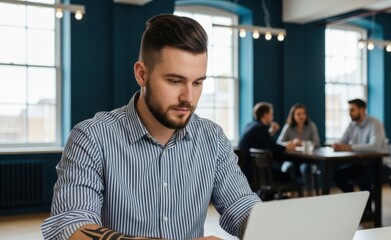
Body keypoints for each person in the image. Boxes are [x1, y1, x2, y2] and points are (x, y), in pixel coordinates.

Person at [41, 14, 261, 240]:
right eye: (175, 81)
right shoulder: (91, 137)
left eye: (197, 83)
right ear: (141, 74)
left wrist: (269, 226)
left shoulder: (212, 138)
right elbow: (70, 223)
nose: (188, 97)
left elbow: (240, 204)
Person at [332, 98, 391, 216]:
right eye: (349, 110)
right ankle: (358, 203)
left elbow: (375, 146)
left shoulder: (375, 123)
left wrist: (350, 148)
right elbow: (342, 142)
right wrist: (337, 145)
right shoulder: (351, 125)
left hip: (381, 164)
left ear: (362, 110)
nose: (349, 113)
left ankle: (367, 210)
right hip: (361, 164)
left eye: (352, 110)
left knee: (363, 178)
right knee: (337, 175)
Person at [238, 102, 296, 189]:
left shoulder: (250, 125)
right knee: (289, 177)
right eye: (271, 113)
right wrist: (287, 146)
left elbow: (261, 142)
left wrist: (270, 132)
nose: (273, 116)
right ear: (265, 115)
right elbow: (273, 148)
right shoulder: (260, 128)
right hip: (258, 173)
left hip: (247, 170)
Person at [277, 103, 320, 194]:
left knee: (306, 168)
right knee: (288, 167)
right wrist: (290, 144)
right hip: (291, 160)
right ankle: (291, 193)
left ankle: (309, 194)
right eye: (298, 114)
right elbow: (279, 143)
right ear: (293, 115)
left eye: (303, 113)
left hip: (308, 160)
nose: (301, 116)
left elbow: (317, 143)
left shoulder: (311, 126)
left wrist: (303, 143)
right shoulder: (288, 127)